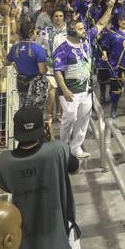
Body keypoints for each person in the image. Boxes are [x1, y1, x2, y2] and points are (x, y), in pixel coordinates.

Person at [0, 106, 79, 249]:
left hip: (24, 240)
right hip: (58, 239)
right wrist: (50, 140)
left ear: (16, 130)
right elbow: (75, 169)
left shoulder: (3, 162)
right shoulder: (58, 150)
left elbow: (6, 185)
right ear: (43, 128)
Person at [52, 18, 93, 159]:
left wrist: (110, 8)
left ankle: (76, 147)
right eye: (80, 29)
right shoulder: (62, 49)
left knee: (83, 120)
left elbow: (100, 24)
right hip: (70, 91)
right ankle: (63, 148)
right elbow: (57, 71)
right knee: (70, 118)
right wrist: (64, 90)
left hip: (86, 90)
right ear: (72, 30)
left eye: (83, 28)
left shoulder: (86, 43)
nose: (84, 31)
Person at [6, 22, 48, 113]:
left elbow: (6, 62)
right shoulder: (38, 49)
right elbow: (42, 70)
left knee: (23, 107)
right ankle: (36, 126)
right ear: (31, 33)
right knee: (37, 110)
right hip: (36, 84)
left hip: (22, 82)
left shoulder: (15, 48)